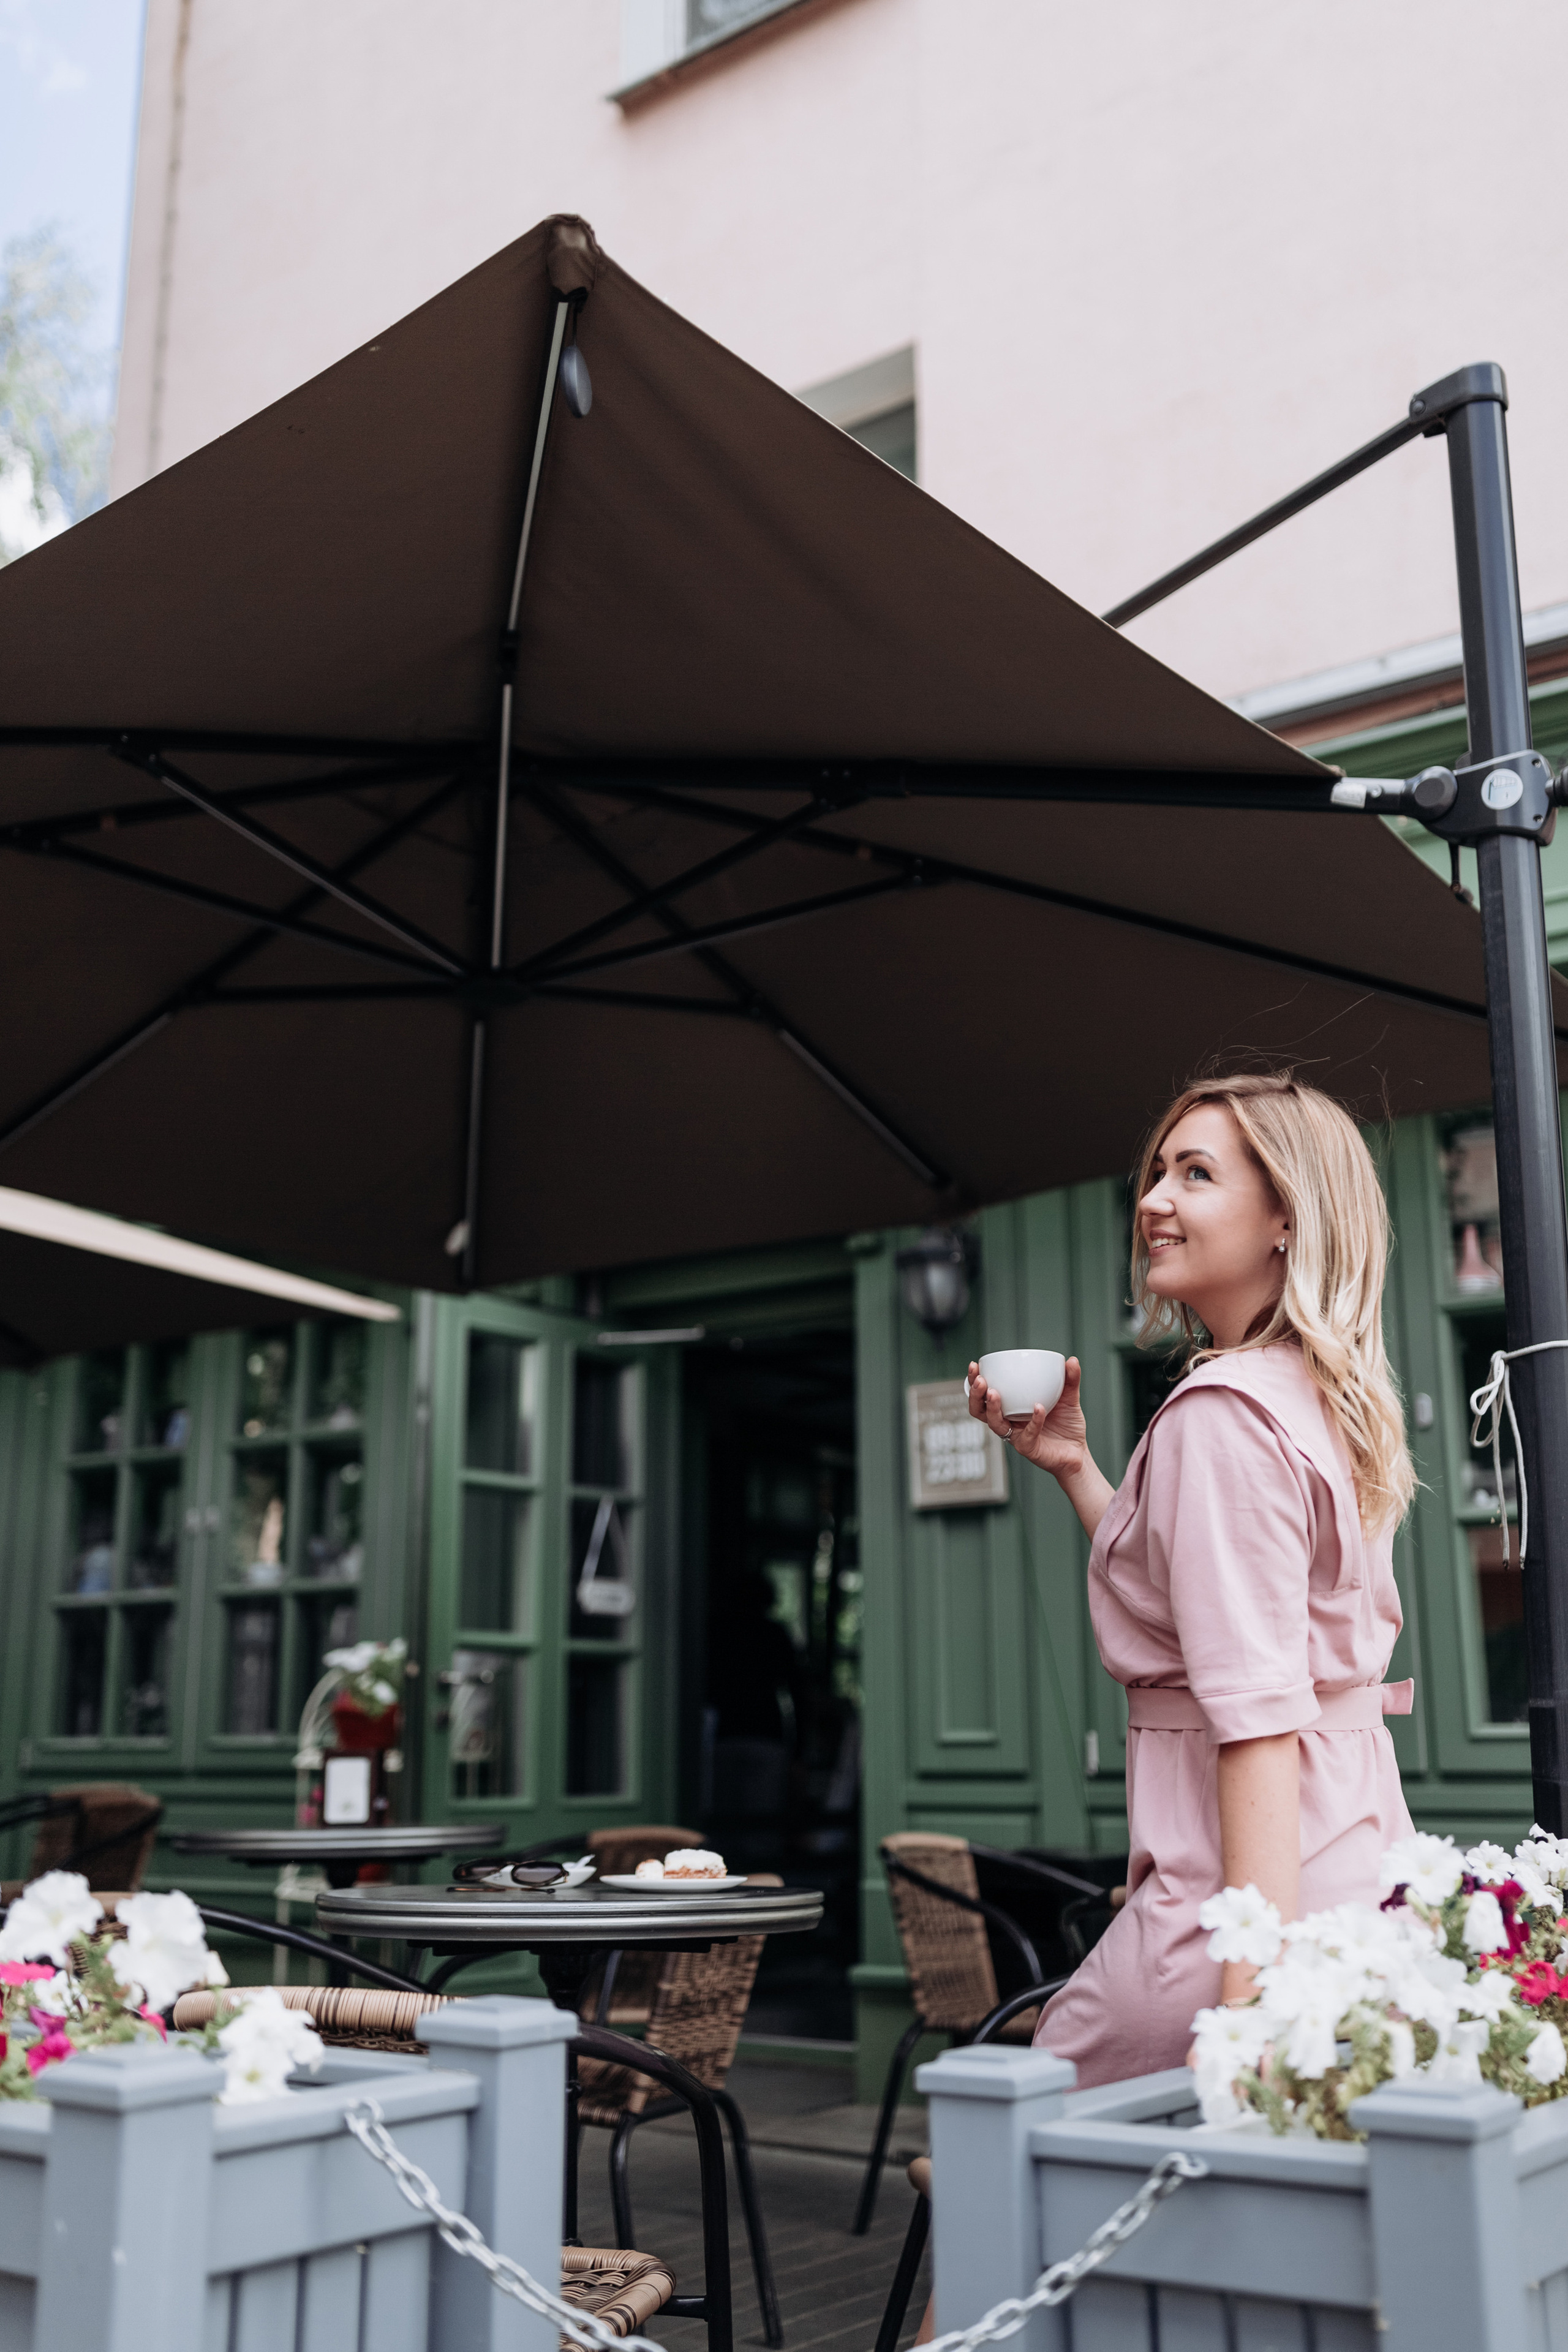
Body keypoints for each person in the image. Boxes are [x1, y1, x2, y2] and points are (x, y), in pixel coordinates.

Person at [968, 1071, 1416, 2086]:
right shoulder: (1321, 1393)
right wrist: (1079, 1467)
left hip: (1234, 1914)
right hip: (1354, 1878)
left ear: (1285, 1222)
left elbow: (1256, 1723)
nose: (1153, 1200)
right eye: (1159, 1171)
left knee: (997, 2156)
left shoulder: (1222, 1415)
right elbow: (1198, 1612)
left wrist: (1245, 2022)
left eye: (1197, 1173)